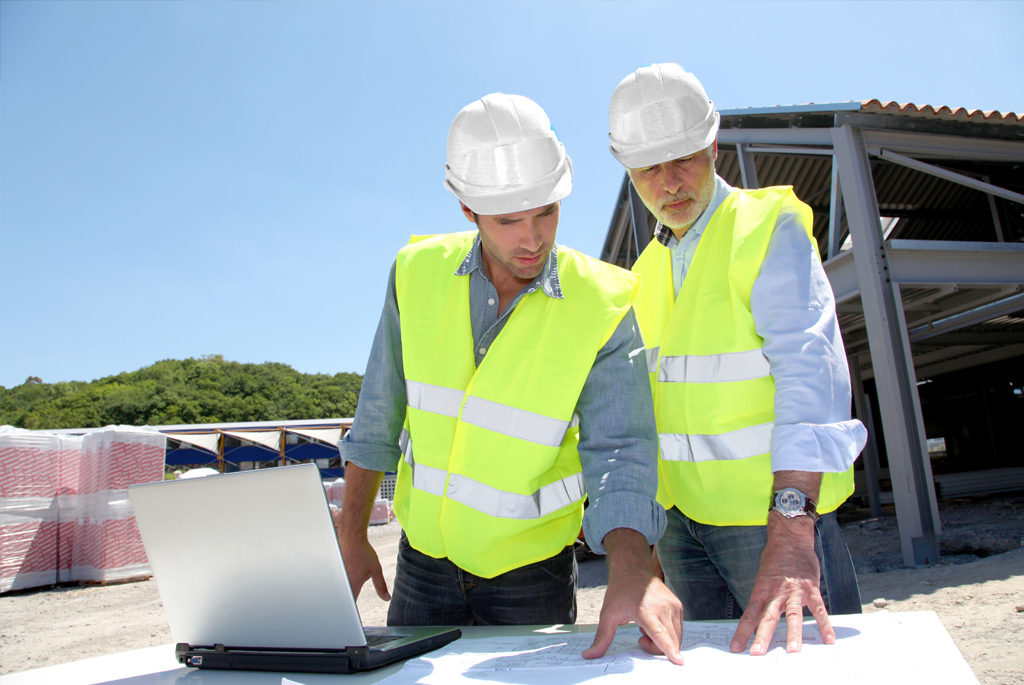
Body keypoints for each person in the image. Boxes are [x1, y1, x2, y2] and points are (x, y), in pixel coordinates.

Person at [338, 92, 683, 663]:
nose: (532, 239)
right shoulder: (415, 274)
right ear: (467, 209)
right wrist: (351, 532)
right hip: (422, 567)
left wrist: (633, 569)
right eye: (508, 221)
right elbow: (377, 414)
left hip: (532, 577)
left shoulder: (603, 303)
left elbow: (619, 451)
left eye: (546, 212)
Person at [607, 63, 868, 656]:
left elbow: (811, 374)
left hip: (768, 522)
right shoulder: (641, 275)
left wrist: (793, 527)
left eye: (684, 160)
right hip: (682, 534)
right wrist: (653, 551)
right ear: (628, 170)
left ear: (713, 146)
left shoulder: (764, 229)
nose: (670, 183)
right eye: (648, 168)